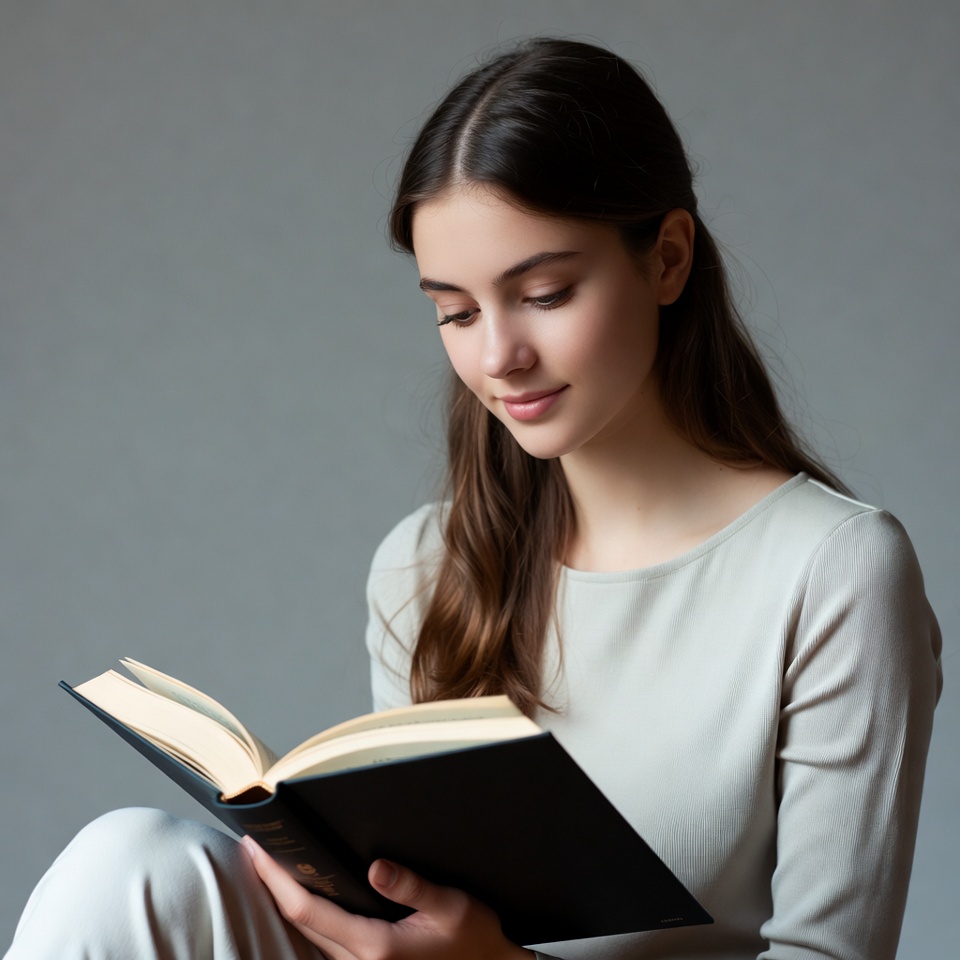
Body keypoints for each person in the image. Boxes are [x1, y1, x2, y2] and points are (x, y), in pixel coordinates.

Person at [5, 37, 941, 960]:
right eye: (455, 311)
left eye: (546, 293)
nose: (497, 358)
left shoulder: (834, 571)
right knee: (130, 863)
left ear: (667, 258)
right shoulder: (425, 565)